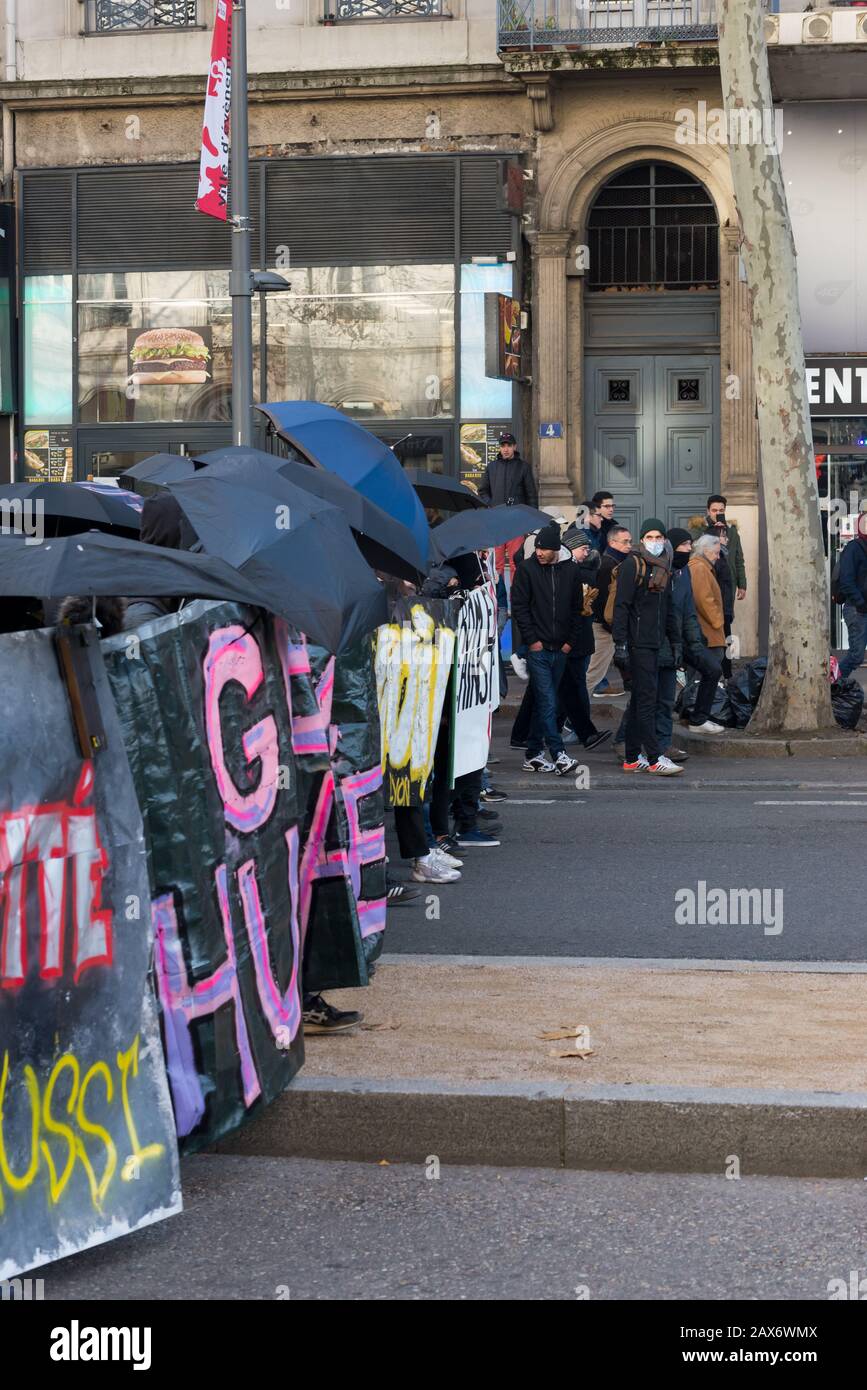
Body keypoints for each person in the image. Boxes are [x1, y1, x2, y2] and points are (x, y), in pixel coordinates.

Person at [611, 519, 683, 776]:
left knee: (641, 699)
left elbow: (669, 609)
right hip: (636, 643)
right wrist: (620, 643)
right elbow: (622, 606)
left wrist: (675, 641)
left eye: (659, 536)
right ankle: (654, 757)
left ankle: (632, 757)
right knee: (646, 701)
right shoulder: (633, 565)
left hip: (655, 643)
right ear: (642, 540)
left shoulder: (665, 567)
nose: (655, 541)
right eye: (650, 536)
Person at [510, 524, 581, 775]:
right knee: (548, 700)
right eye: (537, 547)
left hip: (560, 648)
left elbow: (576, 608)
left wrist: (568, 643)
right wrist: (532, 640)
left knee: (545, 701)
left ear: (556, 550)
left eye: (544, 548)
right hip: (538, 648)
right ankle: (559, 754)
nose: (539, 552)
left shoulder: (571, 570)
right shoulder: (527, 570)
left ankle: (532, 754)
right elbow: (519, 606)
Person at [655, 528, 711, 762]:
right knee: (646, 697)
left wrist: (694, 643)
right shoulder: (656, 570)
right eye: (685, 545)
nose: (689, 550)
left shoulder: (683, 573)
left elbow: (688, 610)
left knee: (666, 697)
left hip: (676, 641)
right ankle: (627, 742)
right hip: (654, 642)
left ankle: (664, 744)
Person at [557, 531, 612, 750]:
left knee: (570, 687)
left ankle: (571, 730)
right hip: (570, 642)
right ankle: (580, 732)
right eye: (583, 548)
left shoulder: (582, 571)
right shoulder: (574, 572)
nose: (587, 552)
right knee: (572, 687)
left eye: (588, 548)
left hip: (577, 642)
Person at [478, 431, 538, 584]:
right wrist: (492, 505)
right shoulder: (492, 467)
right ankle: (498, 603)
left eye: (509, 445)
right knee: (496, 565)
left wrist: (532, 520)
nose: (505, 449)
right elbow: (482, 491)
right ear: (499, 447)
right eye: (503, 445)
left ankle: (515, 604)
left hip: (516, 523)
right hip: (497, 521)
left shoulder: (523, 467)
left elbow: (531, 495)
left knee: (515, 563)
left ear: (514, 447)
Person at [687, 533, 728, 733]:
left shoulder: (700, 567)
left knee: (703, 673)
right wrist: (718, 622)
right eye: (716, 553)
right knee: (707, 673)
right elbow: (704, 599)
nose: (718, 557)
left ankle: (695, 714)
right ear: (705, 551)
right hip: (707, 632)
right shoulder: (700, 568)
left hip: (707, 630)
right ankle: (697, 716)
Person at [585, 523, 632, 698]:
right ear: (612, 543)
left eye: (630, 541)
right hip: (604, 628)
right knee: (592, 675)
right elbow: (602, 600)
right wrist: (610, 625)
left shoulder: (619, 563)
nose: (629, 545)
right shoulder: (607, 566)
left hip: (611, 626)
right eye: (625, 542)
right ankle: (571, 719)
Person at [834, 512, 867, 678]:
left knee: (856, 654)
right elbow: (846, 580)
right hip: (857, 609)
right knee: (856, 656)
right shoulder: (854, 548)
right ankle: (832, 682)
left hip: (861, 607)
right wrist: (860, 602)